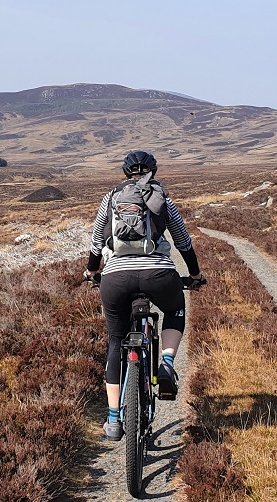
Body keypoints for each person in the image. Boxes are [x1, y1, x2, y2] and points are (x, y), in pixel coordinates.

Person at [84, 150, 205, 440]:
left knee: (116, 342)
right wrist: (196, 275)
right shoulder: (162, 198)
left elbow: (97, 241)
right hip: (159, 275)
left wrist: (91, 272)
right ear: (153, 170)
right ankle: (165, 362)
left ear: (125, 173)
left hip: (115, 279)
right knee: (175, 310)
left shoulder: (111, 199)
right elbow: (183, 241)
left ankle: (113, 419)